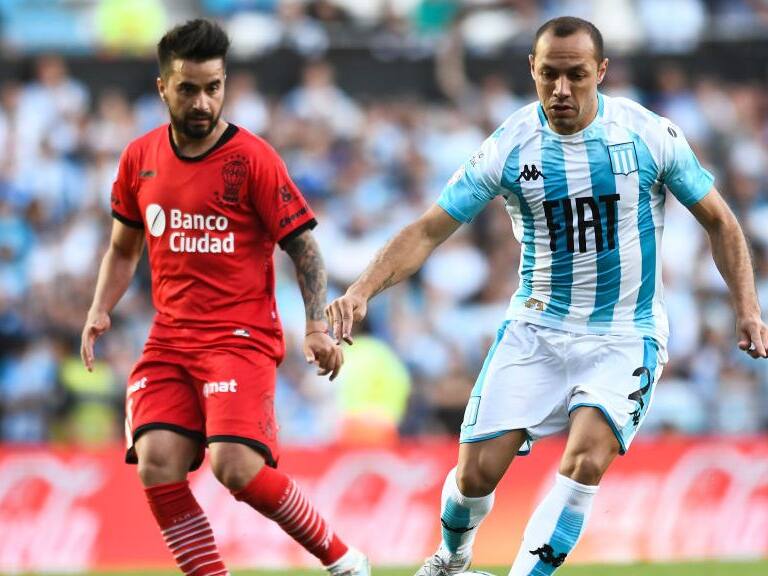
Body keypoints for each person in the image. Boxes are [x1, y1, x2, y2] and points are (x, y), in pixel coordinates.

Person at [325, 15, 768, 576]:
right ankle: (451, 560)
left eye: (576, 75)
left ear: (601, 72)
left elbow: (721, 221)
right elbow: (429, 229)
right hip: (537, 330)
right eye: (549, 75)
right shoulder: (510, 146)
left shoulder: (647, 134)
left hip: (624, 334)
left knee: (585, 461)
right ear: (531, 70)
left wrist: (748, 310)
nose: (561, 90)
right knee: (474, 477)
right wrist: (363, 290)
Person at [80, 19, 369, 576]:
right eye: (188, 88)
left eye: (214, 87)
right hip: (169, 337)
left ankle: (343, 559)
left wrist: (313, 326)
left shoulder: (253, 159)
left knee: (234, 467)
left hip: (238, 337)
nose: (202, 101)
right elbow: (123, 248)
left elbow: (305, 248)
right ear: (162, 87)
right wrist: (100, 307)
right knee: (157, 464)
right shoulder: (138, 159)